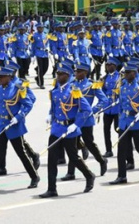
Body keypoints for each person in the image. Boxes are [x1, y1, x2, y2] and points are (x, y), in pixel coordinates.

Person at [40, 63, 95, 198]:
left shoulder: (73, 91)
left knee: (74, 157)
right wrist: (50, 115)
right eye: (57, 74)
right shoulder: (55, 91)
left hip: (69, 129)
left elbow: (86, 110)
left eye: (61, 74)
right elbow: (54, 107)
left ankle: (89, 175)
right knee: (52, 159)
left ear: (68, 76)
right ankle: (52, 189)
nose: (58, 77)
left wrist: (77, 124)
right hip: (56, 128)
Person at [0, 67, 40, 194]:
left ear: (9, 77)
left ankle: (34, 176)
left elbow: (28, 104)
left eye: (3, 77)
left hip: (13, 125)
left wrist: (18, 117)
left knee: (21, 153)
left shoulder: (17, 89)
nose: (0, 79)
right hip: (1, 125)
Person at [109, 62, 139, 185]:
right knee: (121, 150)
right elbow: (122, 103)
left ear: (134, 73)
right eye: (124, 72)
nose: (125, 75)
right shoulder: (124, 85)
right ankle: (121, 176)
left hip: (137, 121)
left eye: (127, 73)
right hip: (125, 121)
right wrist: (120, 117)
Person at [61, 62, 108, 181]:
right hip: (74, 119)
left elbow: (104, 100)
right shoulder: (71, 85)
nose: (76, 73)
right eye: (75, 71)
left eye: (79, 72)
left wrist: (93, 110)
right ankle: (70, 172)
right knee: (72, 146)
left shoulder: (92, 85)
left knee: (89, 142)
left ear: (85, 73)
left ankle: (102, 160)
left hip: (86, 118)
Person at [100, 57, 122, 158]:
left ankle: (122, 148)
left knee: (118, 129)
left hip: (117, 107)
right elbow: (103, 90)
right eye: (107, 65)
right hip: (108, 107)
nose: (108, 66)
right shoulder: (105, 78)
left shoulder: (120, 77)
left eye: (110, 65)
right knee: (106, 129)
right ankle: (108, 150)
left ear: (115, 66)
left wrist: (119, 98)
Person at [30, 23, 49, 89]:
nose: (41, 29)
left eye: (42, 27)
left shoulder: (45, 35)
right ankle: (41, 83)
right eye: (39, 28)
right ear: (37, 28)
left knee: (46, 67)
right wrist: (32, 55)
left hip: (45, 53)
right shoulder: (34, 36)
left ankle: (37, 77)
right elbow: (33, 45)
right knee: (40, 69)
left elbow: (47, 43)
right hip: (38, 52)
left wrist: (48, 48)